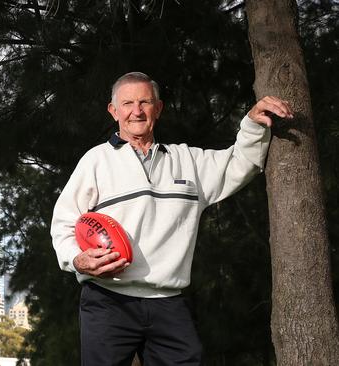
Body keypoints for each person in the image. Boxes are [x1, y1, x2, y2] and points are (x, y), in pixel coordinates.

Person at [50, 72, 293, 365]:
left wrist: (253, 124)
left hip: (169, 302)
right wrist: (78, 259)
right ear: (113, 111)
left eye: (144, 102)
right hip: (108, 300)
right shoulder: (95, 161)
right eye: (127, 103)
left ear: (159, 108)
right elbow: (63, 223)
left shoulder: (187, 160)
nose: (136, 111)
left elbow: (241, 163)